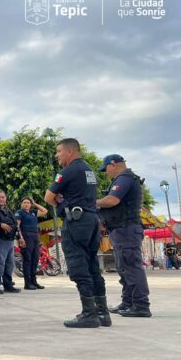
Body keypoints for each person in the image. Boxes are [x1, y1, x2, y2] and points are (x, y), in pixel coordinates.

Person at [44, 138, 108, 328]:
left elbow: (48, 197)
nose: (57, 156)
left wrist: (62, 204)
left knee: (78, 267)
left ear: (70, 152)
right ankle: (102, 313)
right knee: (92, 266)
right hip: (92, 220)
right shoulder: (89, 170)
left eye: (58, 152)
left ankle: (89, 314)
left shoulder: (68, 171)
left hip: (76, 222)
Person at [96, 154, 151, 318]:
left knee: (131, 266)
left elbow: (112, 200)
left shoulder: (125, 178)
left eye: (106, 169)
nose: (106, 173)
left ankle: (141, 305)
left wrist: (93, 202)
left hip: (126, 228)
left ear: (113, 164)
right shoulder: (125, 179)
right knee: (124, 267)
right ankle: (128, 302)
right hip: (121, 228)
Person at [15, 197, 48, 290]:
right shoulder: (19, 213)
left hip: (35, 237)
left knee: (35, 259)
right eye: (24, 202)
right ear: (21, 204)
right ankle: (27, 283)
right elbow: (17, 226)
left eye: (28, 203)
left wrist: (35, 203)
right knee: (27, 259)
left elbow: (45, 211)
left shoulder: (33, 212)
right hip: (26, 236)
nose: (26, 204)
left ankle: (34, 281)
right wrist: (20, 238)